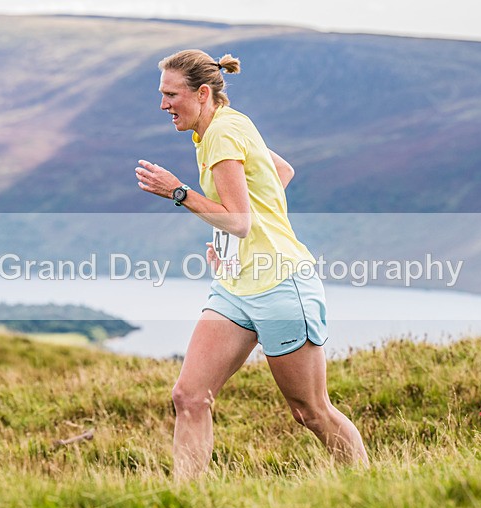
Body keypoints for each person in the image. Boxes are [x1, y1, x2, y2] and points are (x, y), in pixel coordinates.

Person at [135, 49, 369, 480]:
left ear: (202, 94)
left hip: (280, 285)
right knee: (189, 396)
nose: (163, 105)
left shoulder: (223, 133)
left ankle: (368, 486)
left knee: (311, 411)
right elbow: (281, 170)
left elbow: (240, 220)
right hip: (236, 287)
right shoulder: (223, 125)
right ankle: (185, 502)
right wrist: (229, 244)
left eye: (171, 95)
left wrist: (178, 191)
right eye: (162, 94)